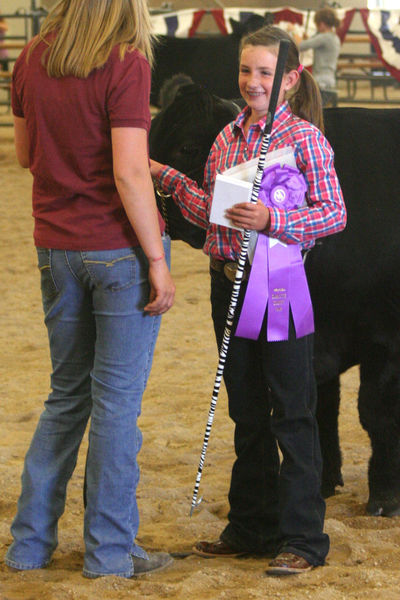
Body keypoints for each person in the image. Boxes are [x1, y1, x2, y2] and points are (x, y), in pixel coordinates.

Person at [150, 25, 346, 576]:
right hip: (226, 284)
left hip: (278, 283)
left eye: (264, 73)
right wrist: (166, 178)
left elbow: (333, 213)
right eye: (245, 71)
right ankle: (252, 525)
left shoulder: (305, 139)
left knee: (291, 409)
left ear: (289, 78)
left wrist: (273, 220)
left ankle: (304, 538)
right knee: (245, 409)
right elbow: (212, 214)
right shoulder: (226, 138)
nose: (252, 82)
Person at [5, 0, 175, 579]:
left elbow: (26, 155)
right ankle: (108, 553)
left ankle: (29, 544)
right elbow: (129, 172)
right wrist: (157, 258)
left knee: (66, 397)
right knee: (116, 407)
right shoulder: (125, 61)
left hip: (54, 246)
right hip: (115, 250)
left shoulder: (28, 58)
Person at [296, 8, 341, 106]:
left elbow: (301, 46)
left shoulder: (324, 37)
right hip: (328, 80)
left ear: (321, 24)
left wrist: (294, 31)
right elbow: (313, 41)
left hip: (321, 82)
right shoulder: (334, 37)